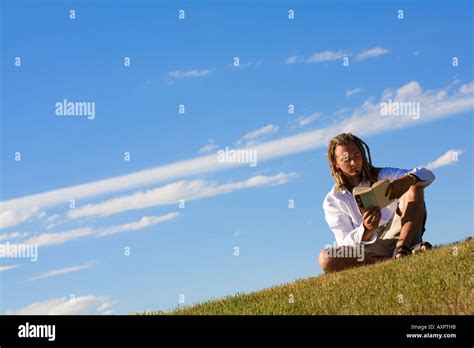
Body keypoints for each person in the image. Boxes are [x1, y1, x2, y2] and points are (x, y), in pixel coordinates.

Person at [319, 132, 435, 273]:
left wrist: (409, 179)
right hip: (368, 250)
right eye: (346, 159)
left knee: (414, 187)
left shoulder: (382, 175)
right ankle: (393, 258)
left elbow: (428, 174)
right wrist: (366, 230)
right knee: (326, 258)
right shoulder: (332, 200)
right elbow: (344, 242)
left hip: (401, 234)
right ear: (336, 164)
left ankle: (401, 250)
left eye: (357, 156)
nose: (354, 163)